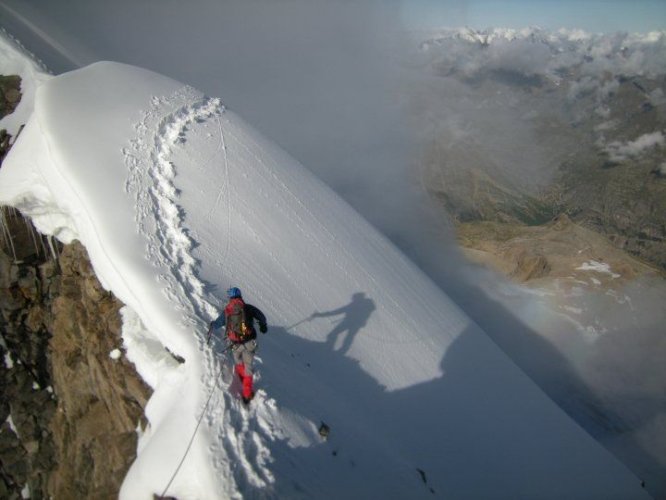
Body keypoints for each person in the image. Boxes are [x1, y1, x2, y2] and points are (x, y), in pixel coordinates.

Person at [209, 287, 267, 404]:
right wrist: (263, 326)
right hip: (249, 342)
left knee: (239, 362)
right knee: (248, 366)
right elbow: (261, 317)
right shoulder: (247, 308)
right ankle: (247, 393)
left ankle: (241, 375)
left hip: (235, 344)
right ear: (240, 296)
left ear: (230, 297)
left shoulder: (227, 310)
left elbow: (218, 323)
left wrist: (211, 325)